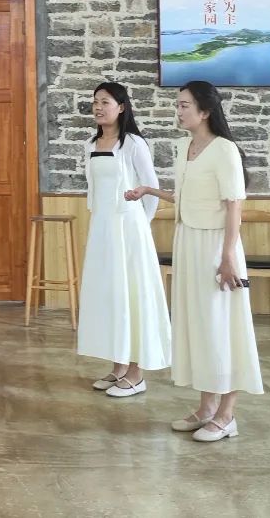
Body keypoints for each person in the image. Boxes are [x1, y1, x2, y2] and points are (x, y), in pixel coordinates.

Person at [126, 80, 262, 442]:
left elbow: (234, 205)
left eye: (184, 105)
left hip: (216, 246)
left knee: (222, 327)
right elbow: (184, 197)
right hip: (188, 241)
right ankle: (205, 408)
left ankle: (227, 415)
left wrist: (228, 256)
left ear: (205, 111)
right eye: (178, 104)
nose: (178, 110)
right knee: (199, 327)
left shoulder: (225, 150)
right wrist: (148, 190)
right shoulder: (183, 147)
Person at [77, 82, 171, 398]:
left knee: (132, 295)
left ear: (121, 107)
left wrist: (140, 225)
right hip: (102, 229)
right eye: (95, 102)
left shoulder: (133, 144)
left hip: (129, 231)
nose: (98, 107)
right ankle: (118, 367)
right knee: (110, 295)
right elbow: (93, 191)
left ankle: (136, 373)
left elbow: (151, 188)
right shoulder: (90, 144)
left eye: (105, 102)